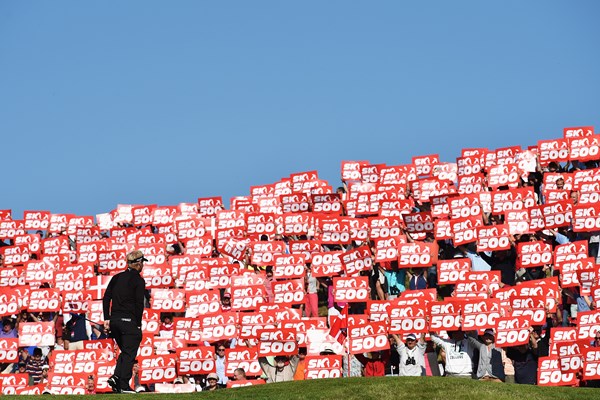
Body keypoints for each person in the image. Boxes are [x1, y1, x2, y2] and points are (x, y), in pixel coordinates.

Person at [103, 250, 147, 394]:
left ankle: (116, 378)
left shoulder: (116, 277)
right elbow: (139, 303)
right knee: (129, 353)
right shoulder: (139, 280)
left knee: (126, 351)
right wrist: (138, 323)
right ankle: (122, 384)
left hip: (114, 321)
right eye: (142, 263)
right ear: (138, 263)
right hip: (129, 321)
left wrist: (107, 318)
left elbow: (106, 298)